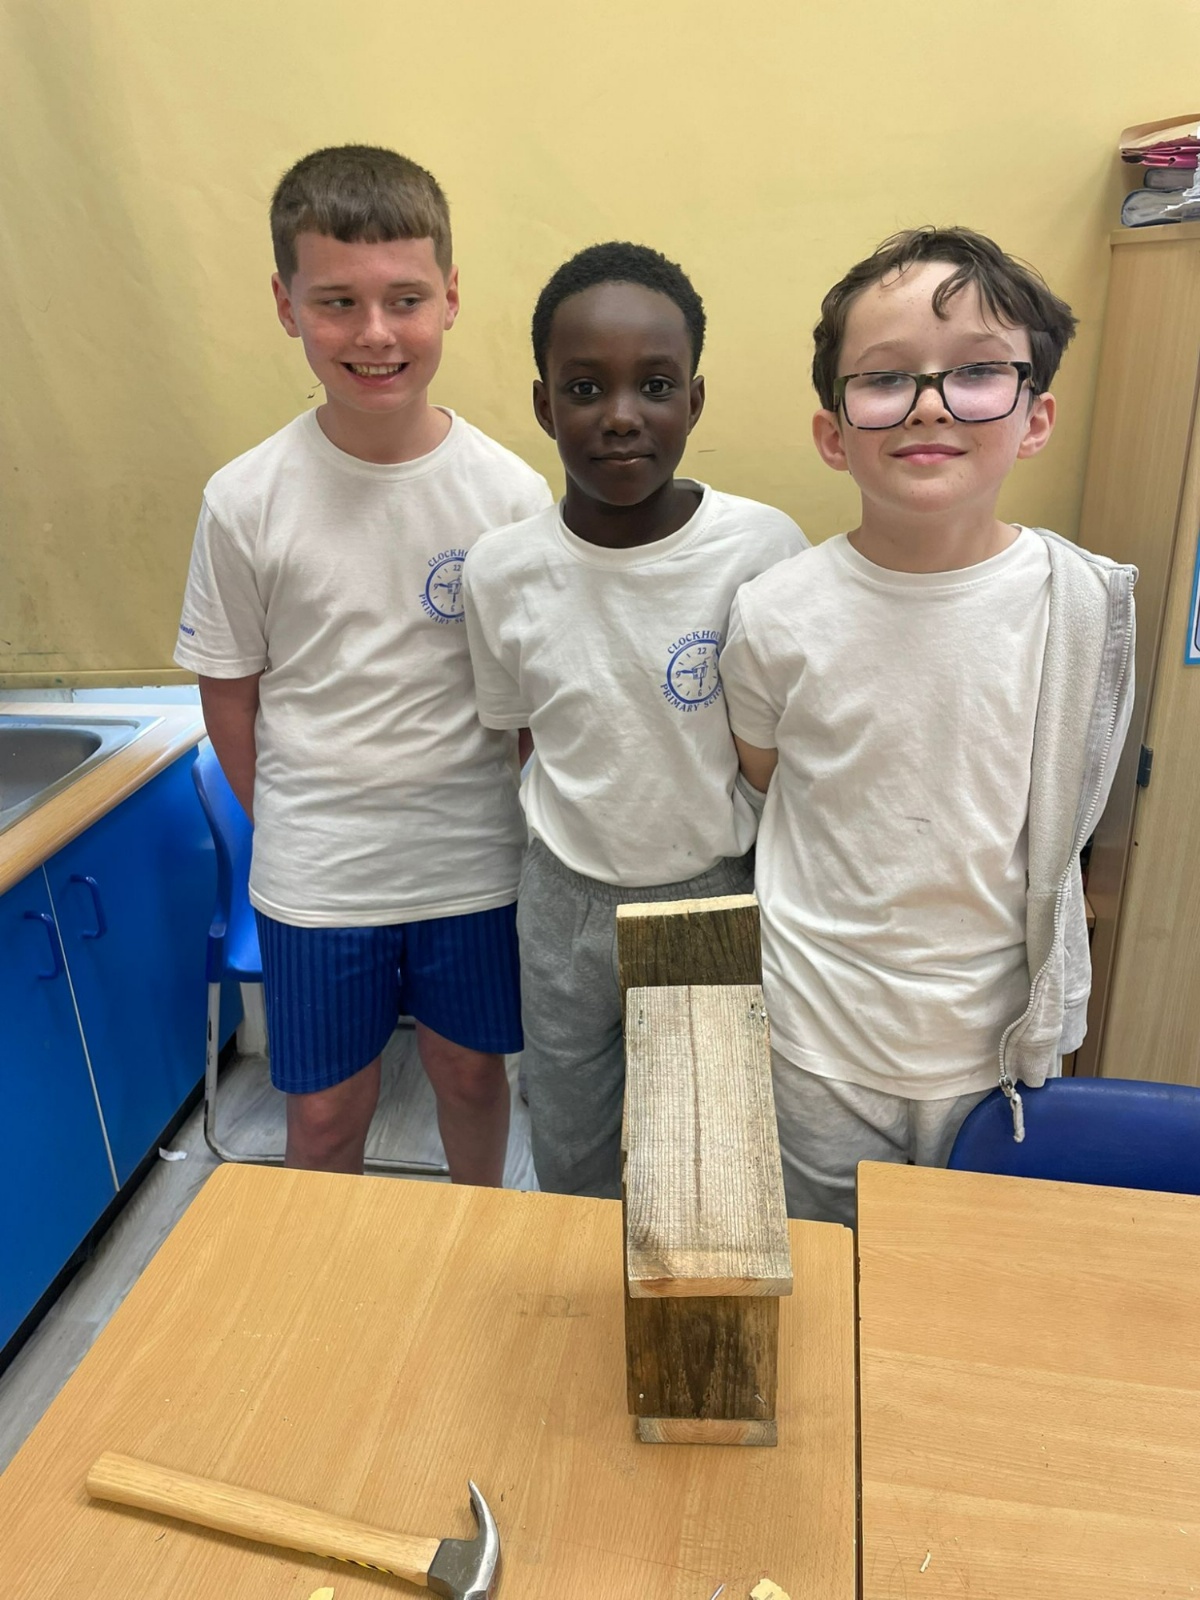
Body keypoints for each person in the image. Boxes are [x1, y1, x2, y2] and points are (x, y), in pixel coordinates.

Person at [720, 226, 1136, 1225]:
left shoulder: (1082, 605)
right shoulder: (776, 611)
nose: (930, 404)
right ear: (834, 432)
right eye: (885, 378)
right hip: (816, 1038)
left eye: (978, 373)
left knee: (963, 1274)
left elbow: (1071, 805)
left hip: (994, 1046)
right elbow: (768, 775)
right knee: (825, 1270)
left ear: (1034, 417)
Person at [174, 145, 552, 1177]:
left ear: (451, 297)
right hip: (319, 870)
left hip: (473, 856)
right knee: (328, 1113)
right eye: (338, 301)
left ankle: (477, 1242)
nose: (375, 333)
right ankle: (330, 1272)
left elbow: (529, 702)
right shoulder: (245, 499)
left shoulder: (511, 495)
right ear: (287, 304)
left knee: (471, 1078)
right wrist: (297, 823)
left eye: (405, 299)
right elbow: (229, 692)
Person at [461, 241, 806, 1198]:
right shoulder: (501, 570)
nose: (621, 416)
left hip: (710, 891)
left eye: (655, 386)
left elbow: (784, 745)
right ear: (545, 406)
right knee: (570, 1147)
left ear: (694, 400)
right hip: (562, 899)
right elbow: (526, 732)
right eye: (585, 389)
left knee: (700, 1167)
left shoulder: (762, 549)